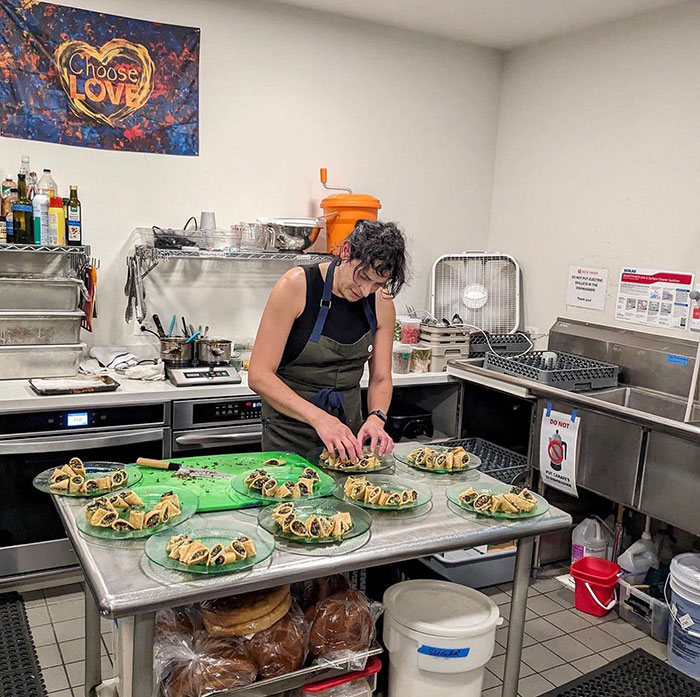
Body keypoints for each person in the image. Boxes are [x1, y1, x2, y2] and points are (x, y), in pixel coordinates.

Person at [249, 219, 409, 460]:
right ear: (345, 252)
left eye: (377, 284)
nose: (366, 291)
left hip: (347, 440)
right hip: (290, 437)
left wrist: (377, 418)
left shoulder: (382, 303)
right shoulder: (296, 286)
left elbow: (380, 378)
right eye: (363, 276)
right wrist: (320, 419)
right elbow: (259, 376)